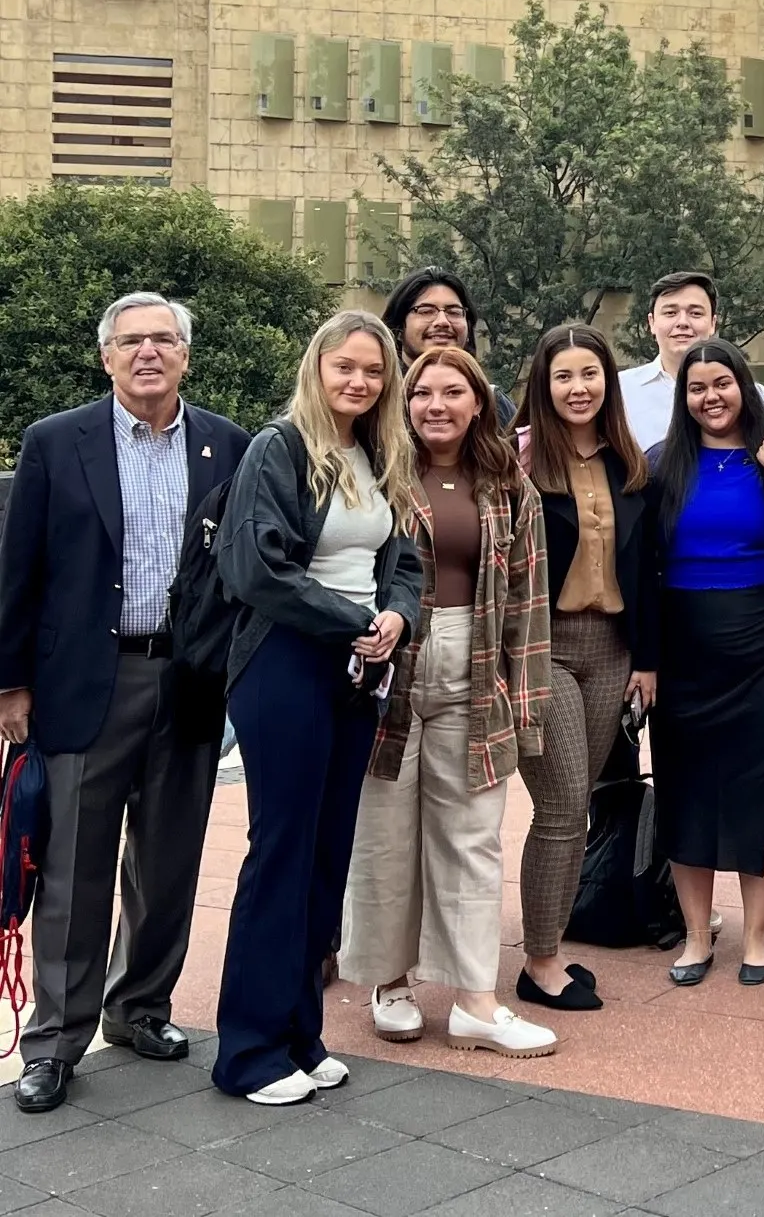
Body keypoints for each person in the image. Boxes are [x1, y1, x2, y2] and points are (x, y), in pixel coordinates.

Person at [0, 295, 250, 1114]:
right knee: (72, 868)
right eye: (132, 340)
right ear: (106, 356)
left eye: (164, 339)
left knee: (169, 857)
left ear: (185, 354)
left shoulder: (227, 445)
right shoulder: (54, 441)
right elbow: (19, 572)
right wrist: (11, 685)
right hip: (83, 680)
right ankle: (56, 1040)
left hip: (186, 679)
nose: (149, 352)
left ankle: (140, 1006)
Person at [212, 312, 424, 1104]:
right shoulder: (279, 448)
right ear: (318, 368)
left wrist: (395, 615)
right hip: (285, 663)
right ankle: (247, 1052)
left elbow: (401, 558)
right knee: (281, 853)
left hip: (356, 668)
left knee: (327, 852)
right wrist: (358, 621)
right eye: (346, 367)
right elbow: (256, 570)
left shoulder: (377, 453)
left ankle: (300, 1034)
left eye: (374, 370)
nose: (360, 381)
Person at [341, 346, 555, 1057]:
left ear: (477, 402)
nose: (437, 403)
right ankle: (389, 981)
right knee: (384, 832)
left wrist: (521, 706)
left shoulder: (508, 484)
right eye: (422, 391)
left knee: (473, 836)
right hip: (389, 665)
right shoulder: (377, 475)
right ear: (403, 401)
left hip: (477, 660)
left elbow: (529, 598)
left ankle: (475, 999)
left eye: (453, 391)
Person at [647, 337, 764, 986]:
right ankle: (697, 934)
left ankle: (755, 933)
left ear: (743, 385)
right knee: (685, 787)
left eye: (721, 382)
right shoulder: (661, 462)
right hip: (683, 645)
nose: (710, 396)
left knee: (762, 788)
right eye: (697, 387)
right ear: (683, 396)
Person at [512, 324, 653, 1014]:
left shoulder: (627, 463)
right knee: (564, 806)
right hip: (543, 649)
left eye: (590, 374)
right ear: (544, 384)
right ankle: (539, 961)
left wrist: (647, 661)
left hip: (611, 650)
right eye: (563, 376)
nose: (578, 388)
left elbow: (645, 571)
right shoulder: (517, 464)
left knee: (581, 805)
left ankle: (552, 946)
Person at [618, 271, 764, 453]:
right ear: (651, 322)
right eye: (670, 312)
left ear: (713, 323)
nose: (682, 322)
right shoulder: (620, 389)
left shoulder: (750, 393)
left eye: (695, 313)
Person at [381, 268, 516, 426]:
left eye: (454, 312)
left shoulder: (494, 405)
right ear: (398, 329)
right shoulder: (376, 401)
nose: (442, 321)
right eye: (426, 311)